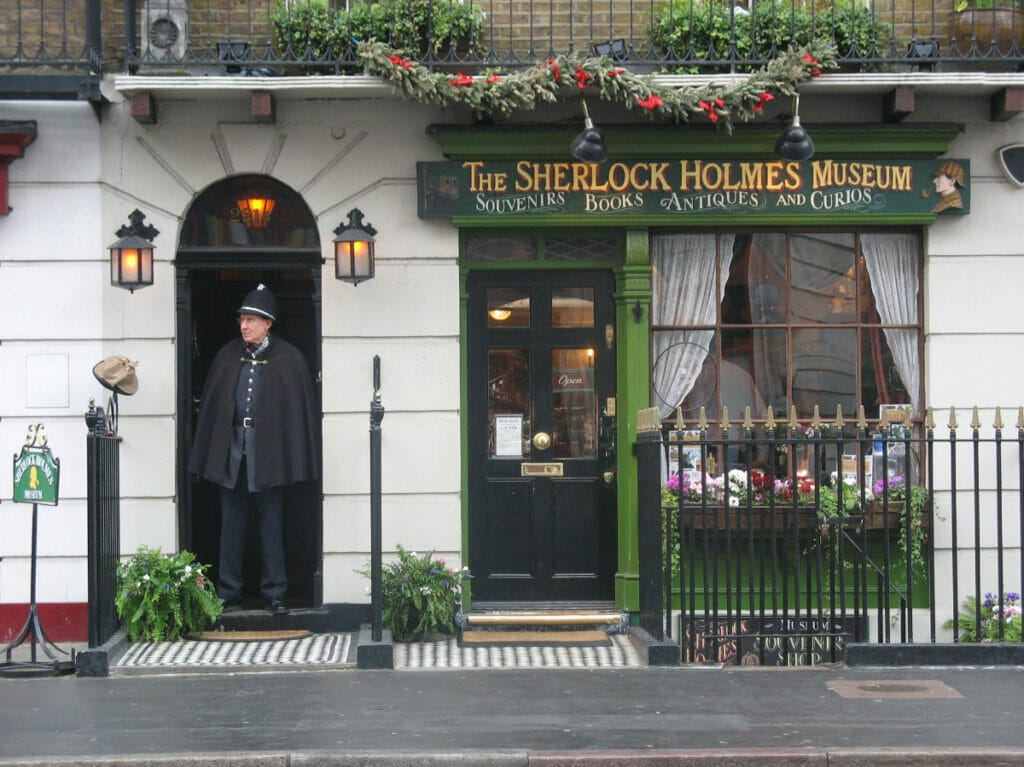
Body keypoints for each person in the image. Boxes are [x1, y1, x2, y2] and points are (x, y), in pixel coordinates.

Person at [188, 284, 319, 614]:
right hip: (232, 455)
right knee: (231, 527)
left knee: (270, 527)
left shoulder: (288, 359)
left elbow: (296, 414)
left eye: (251, 320)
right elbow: (215, 407)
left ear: (268, 323)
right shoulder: (227, 356)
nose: (244, 325)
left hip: (269, 457)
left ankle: (275, 592)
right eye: (242, 319)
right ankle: (228, 592)